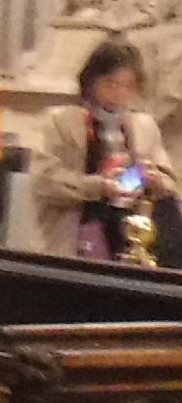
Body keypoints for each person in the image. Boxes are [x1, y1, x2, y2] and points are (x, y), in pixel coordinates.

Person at [22, 39, 182, 260]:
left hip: (133, 229)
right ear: (91, 82)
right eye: (111, 84)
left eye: (128, 86)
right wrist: (99, 185)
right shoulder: (61, 121)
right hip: (76, 233)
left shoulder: (144, 126)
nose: (119, 94)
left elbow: (170, 182)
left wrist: (154, 180)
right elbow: (45, 181)